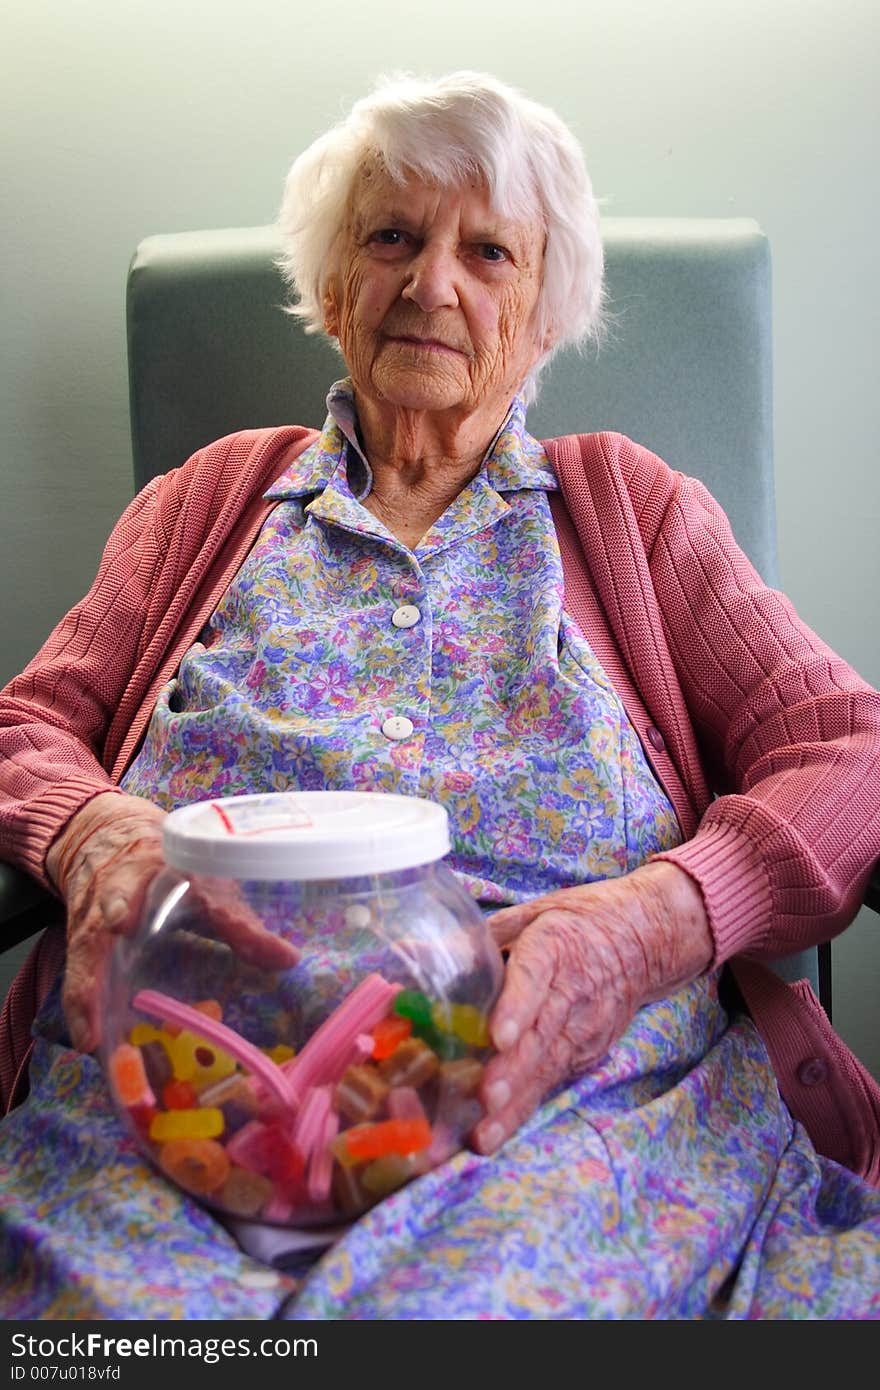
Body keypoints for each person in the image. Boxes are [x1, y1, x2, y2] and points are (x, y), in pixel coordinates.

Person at [1, 69, 879, 1321]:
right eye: (393, 239)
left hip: (559, 1106)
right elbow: (27, 725)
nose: (431, 285)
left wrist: (651, 920)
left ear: (545, 308)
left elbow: (850, 749)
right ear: (331, 286)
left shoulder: (631, 510)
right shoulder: (206, 503)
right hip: (177, 1094)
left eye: (488, 251)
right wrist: (95, 832)